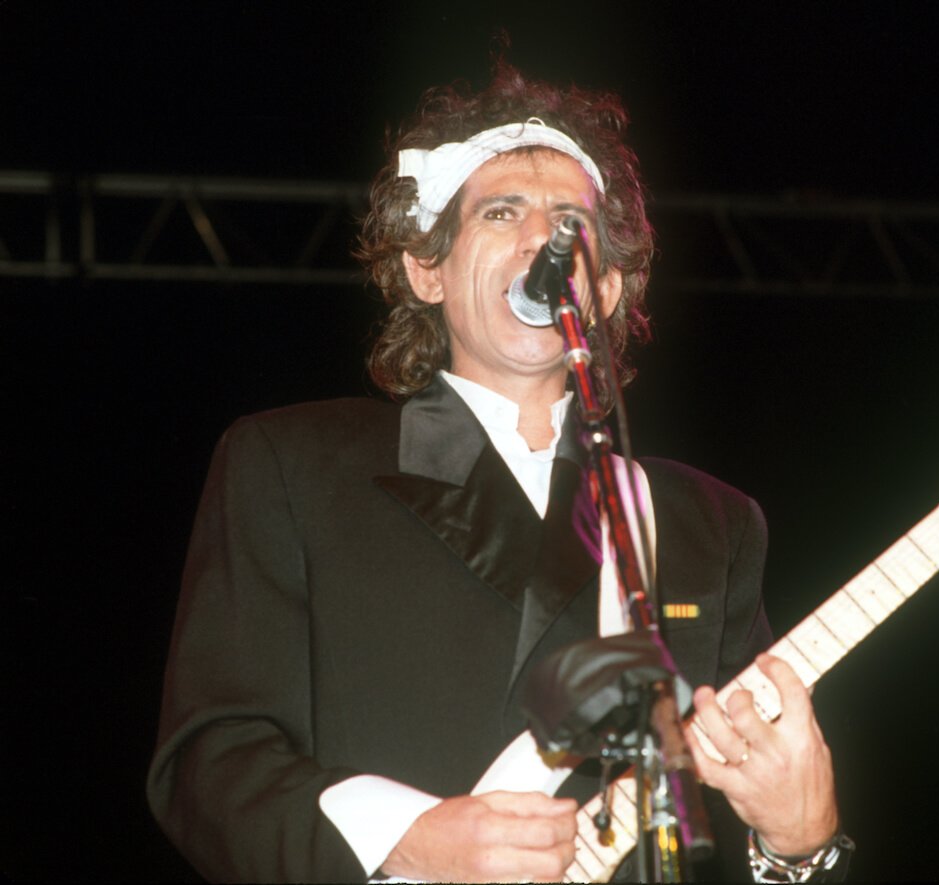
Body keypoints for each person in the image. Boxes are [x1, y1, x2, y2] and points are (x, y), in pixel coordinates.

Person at [147, 62, 850, 883]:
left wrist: (800, 840)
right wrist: (410, 835)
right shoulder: (292, 462)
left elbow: (717, 833)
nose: (542, 240)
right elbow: (209, 763)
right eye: (502, 211)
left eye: (569, 223)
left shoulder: (707, 522)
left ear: (608, 287)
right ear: (426, 269)